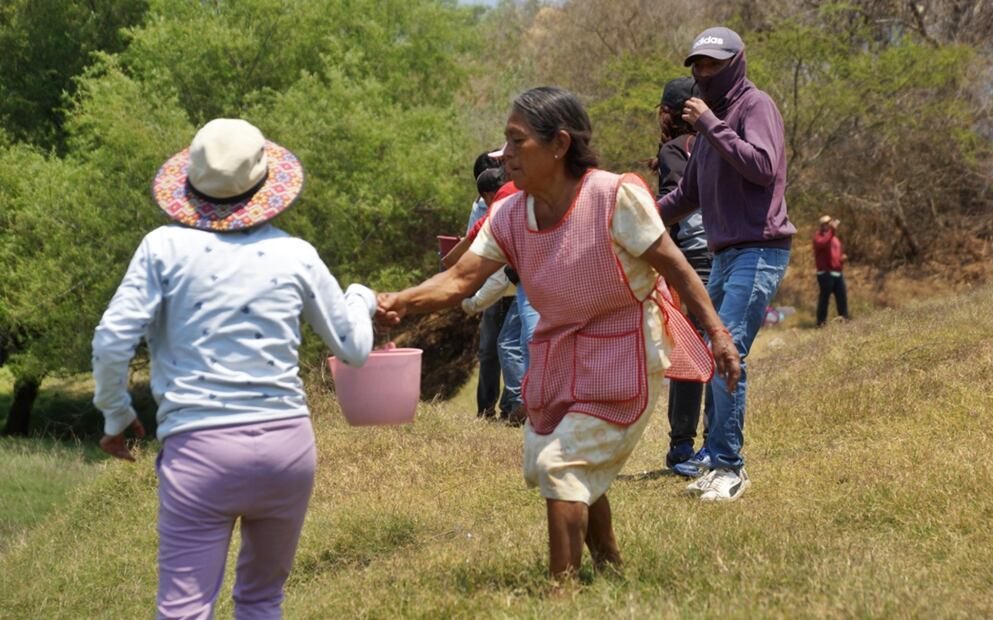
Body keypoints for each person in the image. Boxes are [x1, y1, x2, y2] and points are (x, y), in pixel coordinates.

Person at [377, 87, 739, 579]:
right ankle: (610, 567)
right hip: (556, 357)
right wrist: (400, 302)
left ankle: (560, 592)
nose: (504, 155)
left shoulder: (613, 196)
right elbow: (459, 279)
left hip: (624, 352)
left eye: (516, 141)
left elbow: (676, 267)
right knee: (568, 458)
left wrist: (717, 333)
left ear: (559, 144)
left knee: (562, 463)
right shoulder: (508, 214)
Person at [92, 119, 377, 618]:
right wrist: (362, 298)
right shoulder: (296, 255)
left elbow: (113, 337)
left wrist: (115, 413)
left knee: (185, 609)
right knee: (263, 600)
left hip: (200, 453)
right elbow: (353, 348)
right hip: (286, 452)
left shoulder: (162, 249)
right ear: (267, 185)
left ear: (191, 186)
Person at [658, 26, 796, 501]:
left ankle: (730, 468)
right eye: (697, 65)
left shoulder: (755, 107)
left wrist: (712, 126)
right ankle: (715, 461)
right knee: (708, 354)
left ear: (735, 62)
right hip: (721, 254)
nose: (702, 73)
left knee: (726, 351)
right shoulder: (706, 125)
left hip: (759, 248)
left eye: (712, 64)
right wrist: (632, 218)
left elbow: (762, 166)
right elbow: (687, 195)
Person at [653, 76, 714, 476]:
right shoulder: (718, 143)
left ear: (666, 114)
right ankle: (716, 443)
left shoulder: (674, 150)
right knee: (723, 348)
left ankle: (681, 447)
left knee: (691, 353)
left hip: (693, 260)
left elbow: (678, 205)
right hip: (729, 252)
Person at [813, 215, 849, 326]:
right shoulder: (819, 237)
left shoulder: (835, 239)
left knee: (842, 298)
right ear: (822, 225)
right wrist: (832, 230)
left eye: (829, 223)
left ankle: (844, 321)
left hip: (838, 273)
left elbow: (835, 254)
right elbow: (823, 243)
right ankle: (821, 323)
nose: (828, 225)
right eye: (826, 223)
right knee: (824, 298)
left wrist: (841, 259)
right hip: (825, 274)